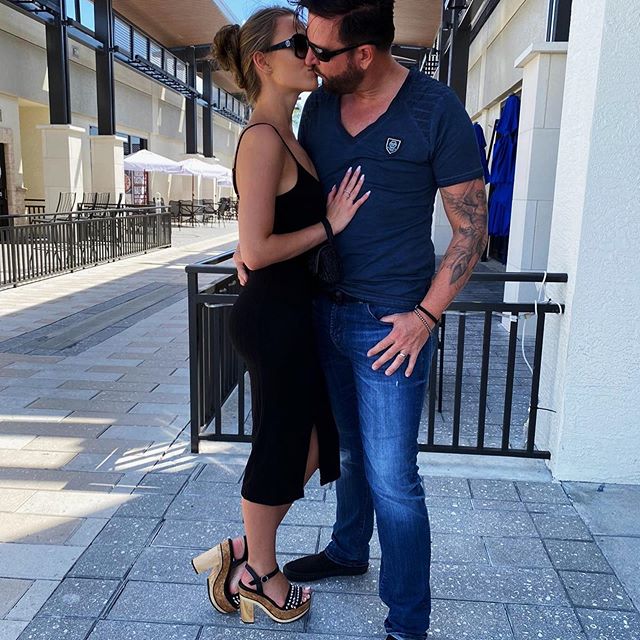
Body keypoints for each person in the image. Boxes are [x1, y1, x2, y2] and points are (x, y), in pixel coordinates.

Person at [236, 1, 488, 639]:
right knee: (344, 453)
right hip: (318, 312)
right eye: (304, 48)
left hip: (390, 325)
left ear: (365, 54)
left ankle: (407, 622)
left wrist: (425, 317)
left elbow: (471, 232)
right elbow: (278, 198)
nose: (313, 61)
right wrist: (250, 250)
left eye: (321, 51)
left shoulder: (436, 111)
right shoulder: (318, 108)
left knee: (395, 480)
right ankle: (348, 549)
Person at [190, 6, 370, 626]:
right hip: (273, 316)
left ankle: (244, 551)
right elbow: (258, 248)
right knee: (281, 441)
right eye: (298, 44)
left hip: (293, 312)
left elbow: (260, 238)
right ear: (262, 62)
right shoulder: (263, 139)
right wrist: (329, 225)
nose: (311, 53)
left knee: (314, 438)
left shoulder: (292, 132)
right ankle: (262, 575)